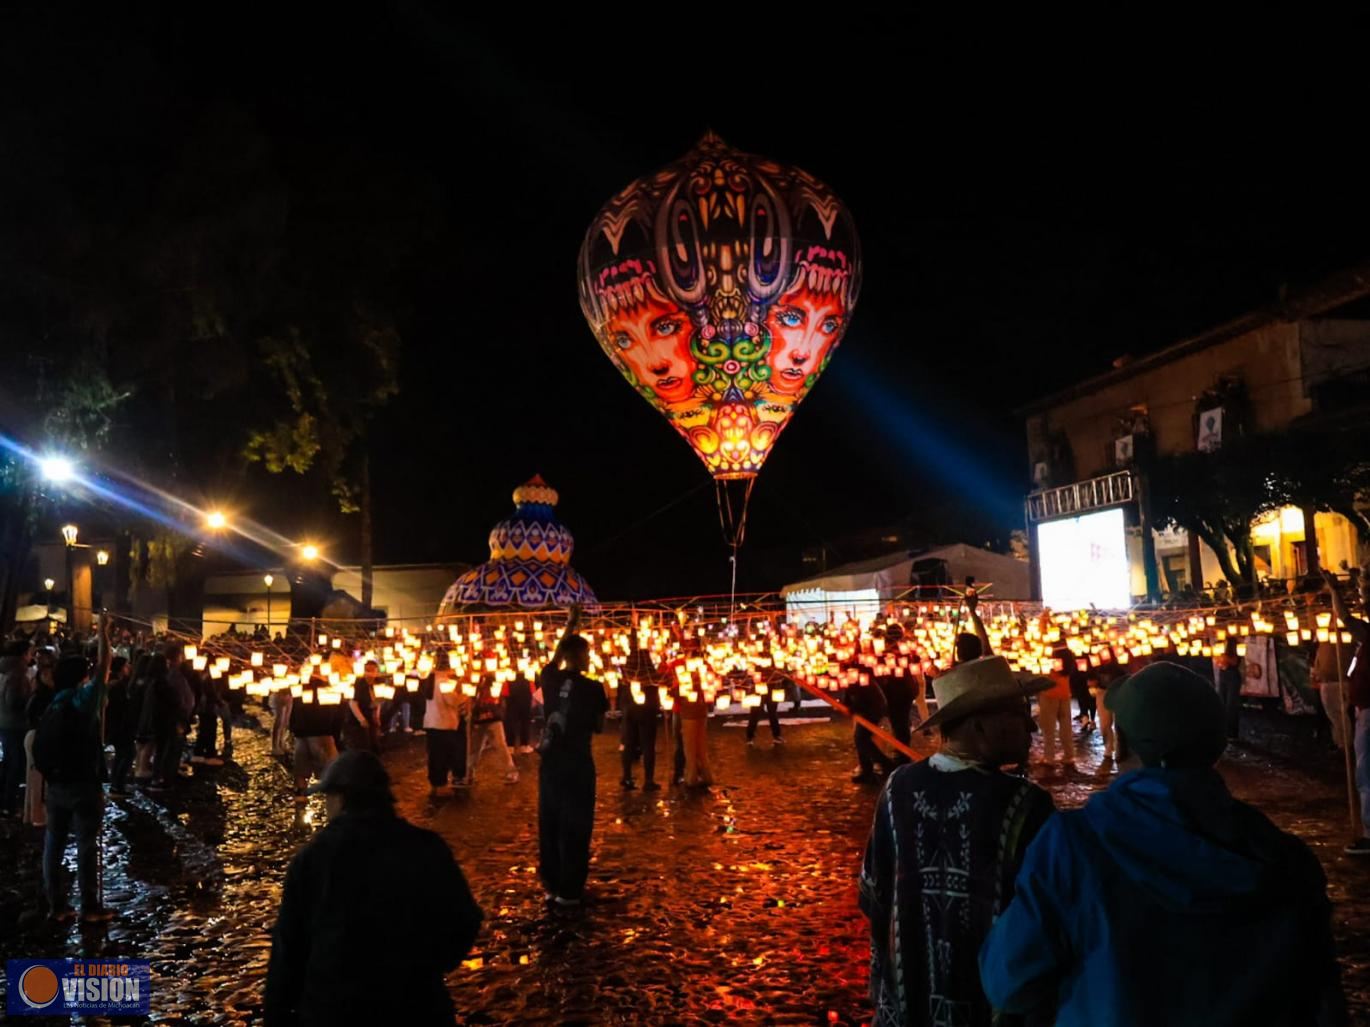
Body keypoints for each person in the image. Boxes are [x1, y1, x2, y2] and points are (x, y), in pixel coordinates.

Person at [980, 661, 1348, 1026]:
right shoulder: (1284, 857)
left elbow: (1009, 979)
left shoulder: (1073, 846)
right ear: (1216, 746)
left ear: (1120, 741)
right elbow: (1321, 998)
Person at [859, 656, 1055, 1027]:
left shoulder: (897, 787)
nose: (1030, 726)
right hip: (991, 1001)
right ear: (980, 725)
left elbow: (874, 892)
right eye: (1018, 714)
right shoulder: (1025, 803)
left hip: (908, 1001)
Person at [264, 750, 483, 1026]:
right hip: (415, 1005)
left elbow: (289, 951)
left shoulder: (314, 859)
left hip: (334, 1009)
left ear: (341, 798)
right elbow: (464, 920)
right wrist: (428, 965)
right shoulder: (426, 848)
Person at [34, 616, 114, 924]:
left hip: (55, 784)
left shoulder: (55, 702)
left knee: (53, 844)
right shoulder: (84, 700)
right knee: (85, 844)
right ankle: (90, 907)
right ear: (83, 677)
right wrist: (103, 634)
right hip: (83, 784)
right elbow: (105, 666)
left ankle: (56, 904)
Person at [537, 606, 608, 907]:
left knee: (550, 822)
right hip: (578, 764)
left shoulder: (549, 679)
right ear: (584, 656)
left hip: (550, 764)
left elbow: (553, 659)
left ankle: (552, 884)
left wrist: (570, 624)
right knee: (576, 824)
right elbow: (600, 727)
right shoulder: (594, 688)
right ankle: (571, 889)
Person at [1325, 566, 1370, 855]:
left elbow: (1344, 618)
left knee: (1366, 772)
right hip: (1364, 708)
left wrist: (1334, 591)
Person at [289, 673, 342, 804]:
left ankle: (301, 794)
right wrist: (335, 734)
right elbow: (335, 715)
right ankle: (334, 795)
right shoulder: (328, 692)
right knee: (330, 764)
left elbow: (293, 712)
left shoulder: (299, 691)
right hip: (321, 732)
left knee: (301, 765)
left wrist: (294, 729)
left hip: (302, 734)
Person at [619, 642, 662, 790]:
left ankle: (626, 776)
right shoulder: (648, 672)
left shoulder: (627, 672)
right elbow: (659, 680)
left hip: (629, 710)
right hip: (646, 711)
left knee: (628, 743)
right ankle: (648, 780)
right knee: (647, 745)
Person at [0, 639, 34, 816]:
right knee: (14, 764)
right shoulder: (18, 673)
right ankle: (9, 804)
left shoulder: (7, 669)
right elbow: (14, 701)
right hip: (15, 725)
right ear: (23, 654)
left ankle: (5, 800)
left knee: (8, 762)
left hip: (5, 723)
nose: (31, 656)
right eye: (29, 653)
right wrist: (31, 696)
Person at [23, 647, 57, 825]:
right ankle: (37, 816)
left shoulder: (40, 695)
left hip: (35, 735)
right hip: (37, 736)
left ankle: (32, 814)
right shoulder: (43, 697)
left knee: (35, 778)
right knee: (38, 780)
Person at [422, 669, 468, 796]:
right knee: (442, 756)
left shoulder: (431, 680)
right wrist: (466, 693)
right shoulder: (444, 682)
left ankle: (435, 784)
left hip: (432, 723)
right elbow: (453, 701)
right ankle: (440, 785)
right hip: (443, 724)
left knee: (435, 756)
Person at [471, 676, 519, 784]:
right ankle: (469, 773)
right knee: (475, 748)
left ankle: (511, 772)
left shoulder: (494, 684)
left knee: (500, 745)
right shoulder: (474, 684)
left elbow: (499, 702)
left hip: (493, 719)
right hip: (480, 720)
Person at [845, 670, 889, 783]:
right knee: (860, 739)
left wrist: (852, 708)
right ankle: (867, 770)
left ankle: (884, 764)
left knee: (861, 739)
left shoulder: (859, 678)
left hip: (873, 710)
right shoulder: (852, 677)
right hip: (869, 709)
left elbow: (861, 698)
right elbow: (851, 695)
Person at [1036, 648, 1075, 771]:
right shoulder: (1068, 667)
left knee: (1048, 728)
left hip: (1049, 695)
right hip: (1065, 695)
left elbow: (1044, 678)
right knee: (1066, 726)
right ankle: (1069, 755)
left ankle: (1049, 757)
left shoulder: (1053, 665)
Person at [344, 660, 381, 753]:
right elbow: (353, 703)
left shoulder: (377, 684)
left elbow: (378, 701)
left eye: (372, 670)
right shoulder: (359, 684)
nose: (370, 673)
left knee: (374, 743)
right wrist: (362, 719)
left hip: (370, 715)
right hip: (358, 719)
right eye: (367, 670)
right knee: (362, 743)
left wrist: (377, 716)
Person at [745, 669, 785, 748]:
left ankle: (776, 735)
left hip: (771, 685)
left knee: (772, 711)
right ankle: (750, 736)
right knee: (755, 712)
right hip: (759, 685)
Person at [1215, 635, 1243, 742]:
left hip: (1232, 675)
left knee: (1231, 705)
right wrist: (1219, 660)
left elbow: (1235, 662)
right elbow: (1218, 660)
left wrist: (1224, 658)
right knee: (1221, 702)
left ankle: (1232, 733)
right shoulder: (1219, 643)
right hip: (1223, 674)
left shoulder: (1235, 644)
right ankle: (1223, 731)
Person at [504, 670, 534, 754]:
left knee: (511, 724)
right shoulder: (529, 679)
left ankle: (510, 746)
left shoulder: (508, 680)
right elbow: (533, 691)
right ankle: (524, 745)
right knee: (525, 724)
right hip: (525, 704)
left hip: (512, 705)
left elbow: (505, 693)